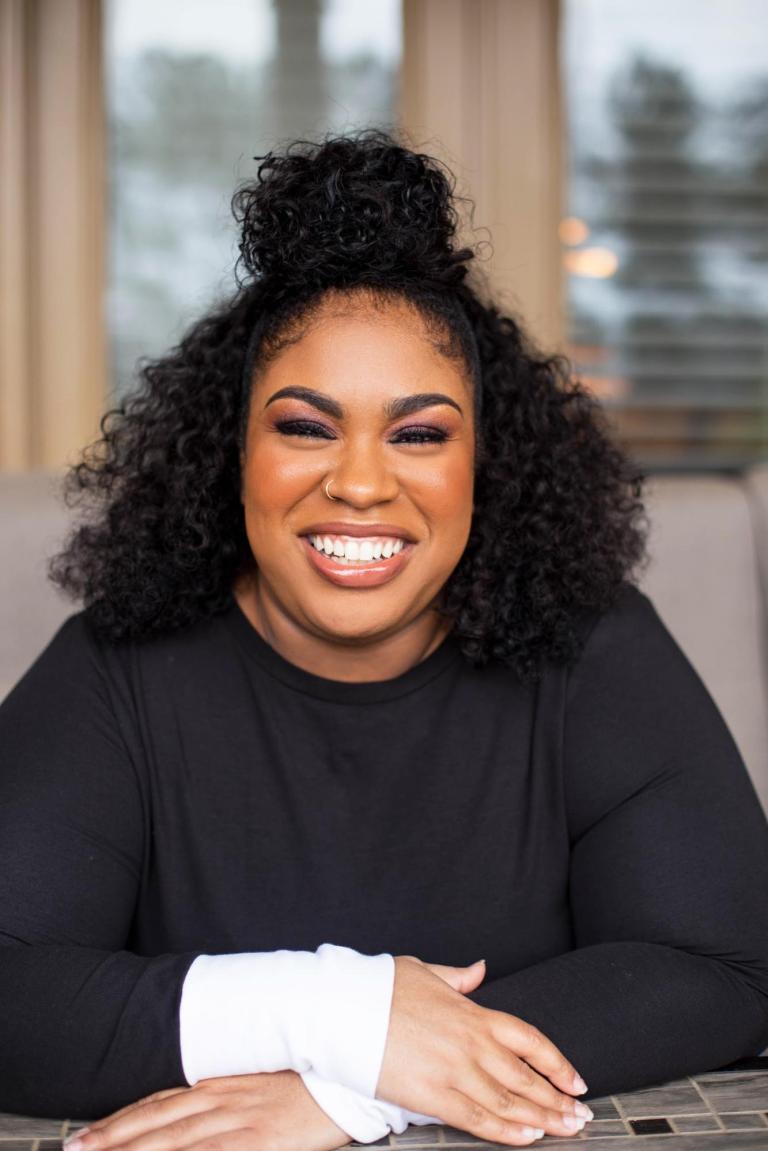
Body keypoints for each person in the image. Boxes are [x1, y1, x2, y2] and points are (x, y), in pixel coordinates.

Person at [1, 128, 767, 1151]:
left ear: (483, 464)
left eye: (419, 433)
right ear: (232, 453)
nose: (360, 482)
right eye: (305, 426)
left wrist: (359, 1091)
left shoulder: (594, 645)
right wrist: (340, 1014)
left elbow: (726, 965)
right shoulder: (116, 667)